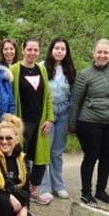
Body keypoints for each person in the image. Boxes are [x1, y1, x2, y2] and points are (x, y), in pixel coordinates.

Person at [68, 38, 109, 205]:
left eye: (105, 52)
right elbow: (76, 102)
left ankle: (101, 190)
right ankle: (86, 192)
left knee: (106, 157)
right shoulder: (84, 74)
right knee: (91, 157)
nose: (102, 55)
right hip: (90, 122)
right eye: (99, 52)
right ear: (93, 53)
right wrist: (72, 125)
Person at [10, 38, 55, 205]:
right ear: (23, 50)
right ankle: (20, 191)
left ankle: (35, 190)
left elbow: (48, 96)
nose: (32, 53)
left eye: (36, 50)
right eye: (29, 49)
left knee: (41, 158)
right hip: (21, 122)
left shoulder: (41, 69)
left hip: (40, 121)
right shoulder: (14, 70)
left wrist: (49, 118)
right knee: (20, 156)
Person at [40, 37, 77, 200]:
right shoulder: (42, 67)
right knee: (44, 151)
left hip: (64, 111)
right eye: (57, 48)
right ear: (51, 50)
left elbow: (74, 93)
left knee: (57, 151)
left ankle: (58, 185)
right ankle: (43, 187)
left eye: (63, 49)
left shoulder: (69, 69)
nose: (59, 51)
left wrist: (72, 119)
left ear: (66, 52)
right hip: (48, 112)